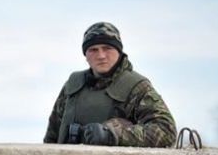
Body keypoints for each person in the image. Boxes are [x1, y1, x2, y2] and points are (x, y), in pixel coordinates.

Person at [44, 22, 176, 147]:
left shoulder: (135, 86)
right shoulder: (73, 85)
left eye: (107, 48)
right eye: (93, 50)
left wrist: (113, 135)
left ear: (119, 51)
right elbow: (52, 137)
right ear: (86, 55)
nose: (101, 56)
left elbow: (166, 131)